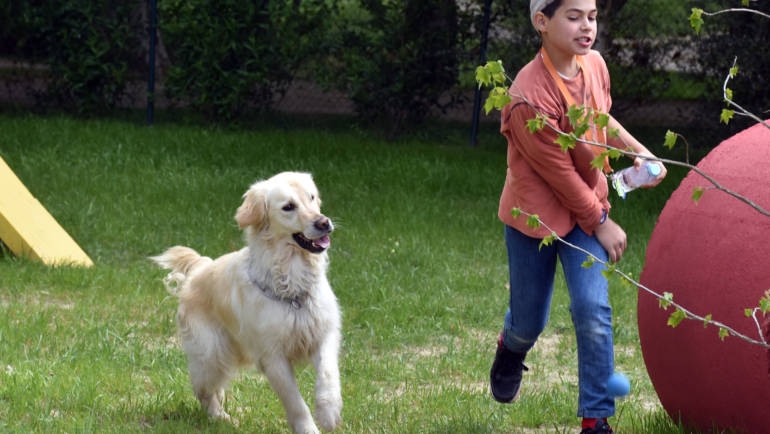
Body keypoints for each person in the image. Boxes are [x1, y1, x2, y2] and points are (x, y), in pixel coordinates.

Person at [488, 1, 667, 433]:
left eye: (592, 16)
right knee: (529, 321)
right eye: (573, 16)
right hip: (536, 218)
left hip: (586, 206)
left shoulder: (594, 64)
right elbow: (560, 175)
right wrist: (601, 221)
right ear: (541, 22)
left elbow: (600, 119)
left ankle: (595, 419)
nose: (587, 26)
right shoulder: (528, 96)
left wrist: (637, 152)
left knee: (593, 309)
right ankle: (510, 350)